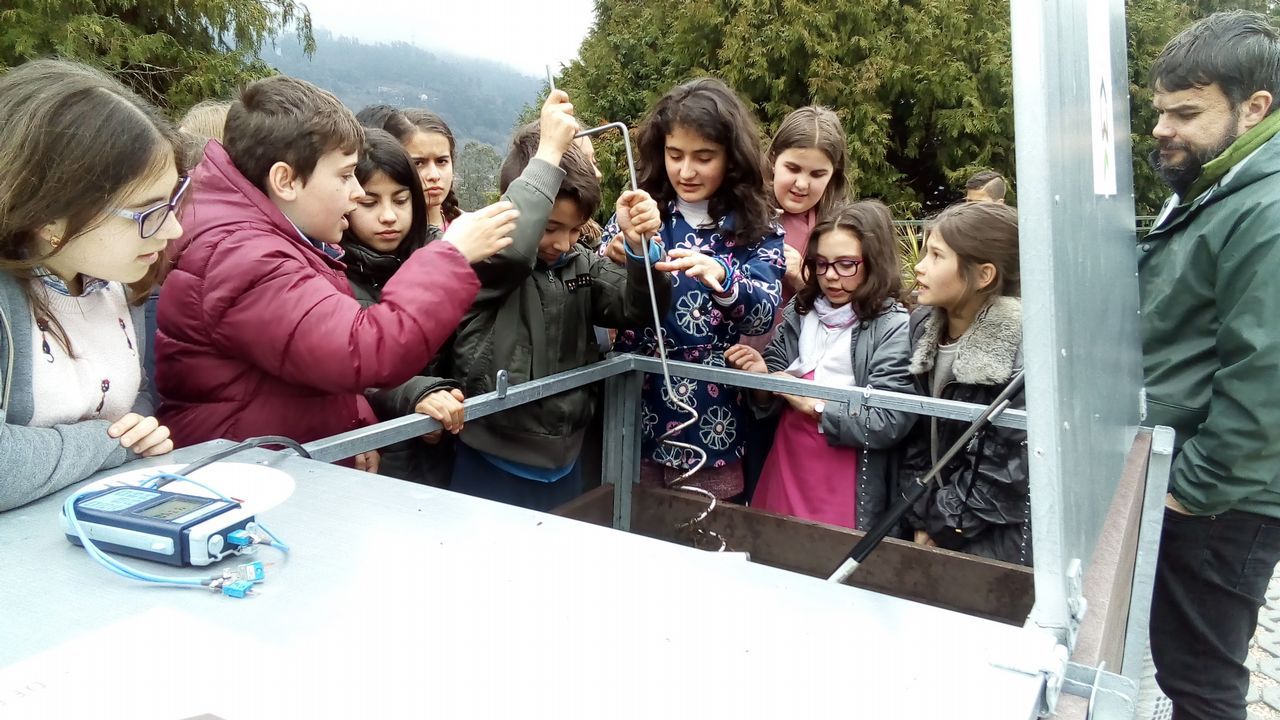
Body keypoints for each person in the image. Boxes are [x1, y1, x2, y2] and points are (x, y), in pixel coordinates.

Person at [154, 75, 517, 470]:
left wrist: (354, 421)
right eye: (345, 175)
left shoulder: (266, 242)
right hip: (243, 487)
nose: (357, 193)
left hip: (270, 472)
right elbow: (364, 349)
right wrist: (451, 254)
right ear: (286, 180)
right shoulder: (240, 257)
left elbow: (306, 366)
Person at [1140, 11, 1280, 719]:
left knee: (1201, 684)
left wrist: (1191, 490)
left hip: (1222, 501)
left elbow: (1267, 373)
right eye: (1160, 110)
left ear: (1255, 107)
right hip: (1200, 482)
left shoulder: (1268, 208)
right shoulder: (1221, 191)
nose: (1163, 128)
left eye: (1186, 112)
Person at [449, 94, 670, 511]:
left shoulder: (581, 263)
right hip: (491, 458)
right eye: (550, 227)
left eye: (574, 229)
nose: (563, 243)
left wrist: (642, 251)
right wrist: (549, 152)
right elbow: (515, 250)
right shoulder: (486, 260)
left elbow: (636, 309)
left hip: (566, 462)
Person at [0, 60, 180, 511]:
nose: (174, 228)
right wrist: (112, 444)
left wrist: (139, 426)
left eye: (174, 199)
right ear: (48, 218)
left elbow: (132, 404)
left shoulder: (120, 282)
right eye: (148, 211)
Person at [605, 77, 785, 500]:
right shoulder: (643, 209)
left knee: (706, 536)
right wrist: (625, 250)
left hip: (714, 414)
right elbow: (604, 291)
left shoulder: (758, 227)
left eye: (704, 157)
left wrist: (720, 274)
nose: (686, 171)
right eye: (674, 154)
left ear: (732, 157)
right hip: (636, 404)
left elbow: (764, 309)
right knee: (633, 527)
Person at [725, 201, 914, 529]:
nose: (829, 276)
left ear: (875, 263)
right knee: (772, 548)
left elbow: (889, 420)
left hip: (845, 472)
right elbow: (774, 373)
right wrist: (762, 378)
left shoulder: (893, 325)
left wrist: (814, 406)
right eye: (821, 263)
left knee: (830, 558)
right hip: (788, 459)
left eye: (846, 264)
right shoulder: (803, 309)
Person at [897, 201, 1029, 566]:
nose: (920, 266)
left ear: (984, 275)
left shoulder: (1019, 356)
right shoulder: (922, 327)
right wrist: (918, 514)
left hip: (993, 542)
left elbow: (1004, 472)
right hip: (930, 520)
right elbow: (917, 439)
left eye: (937, 256)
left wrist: (942, 525)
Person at [339, 128, 466, 485]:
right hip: (377, 465)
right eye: (370, 202)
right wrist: (418, 394)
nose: (389, 216)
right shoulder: (334, 274)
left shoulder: (425, 260)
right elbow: (352, 369)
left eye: (400, 199)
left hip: (433, 454)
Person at [737, 105, 850, 501]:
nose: (802, 183)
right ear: (773, 161)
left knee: (774, 481)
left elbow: (842, 304)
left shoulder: (834, 231)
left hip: (793, 385)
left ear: (833, 176)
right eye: (793, 168)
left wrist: (802, 279)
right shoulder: (745, 214)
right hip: (736, 370)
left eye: (817, 174)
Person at [356, 105, 462, 230]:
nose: (434, 175)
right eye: (418, 163)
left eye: (441, 161)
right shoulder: (385, 235)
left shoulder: (471, 231)